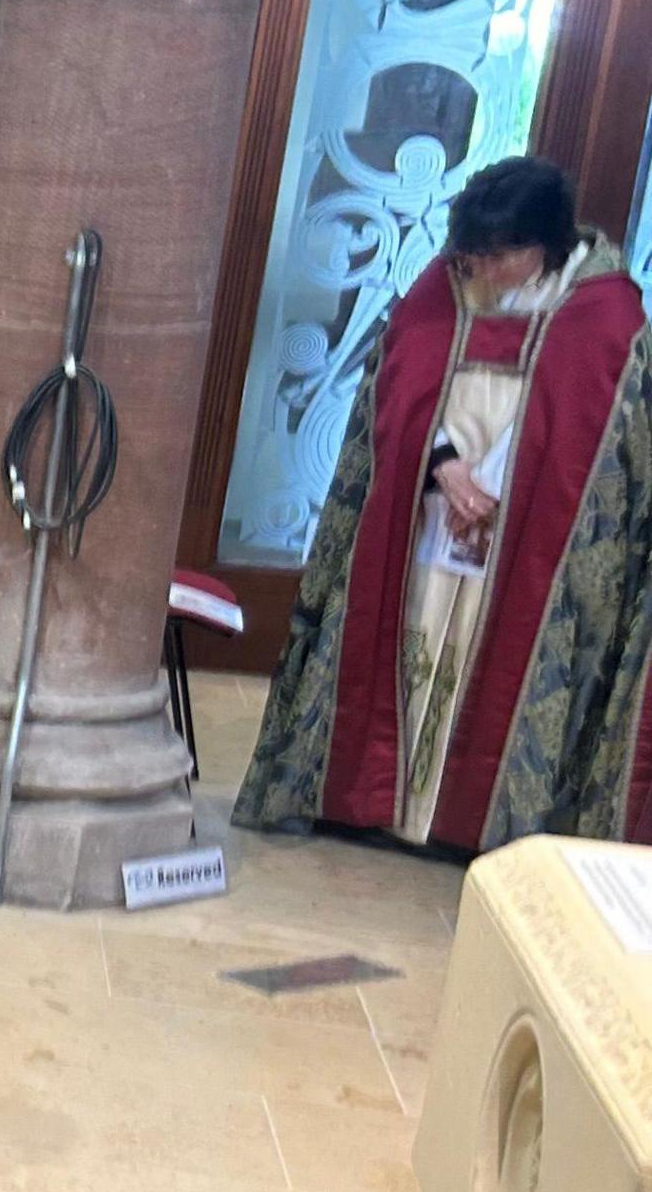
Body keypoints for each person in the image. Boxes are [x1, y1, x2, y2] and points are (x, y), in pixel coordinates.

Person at [239, 159, 652, 853]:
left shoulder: (610, 315)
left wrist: (505, 490)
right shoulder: (446, 284)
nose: (482, 272)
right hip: (426, 518)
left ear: (545, 244)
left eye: (500, 256)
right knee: (414, 636)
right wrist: (444, 466)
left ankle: (468, 824)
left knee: (497, 664)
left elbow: (608, 445)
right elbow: (395, 387)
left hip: (527, 539)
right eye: (472, 255)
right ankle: (375, 805)